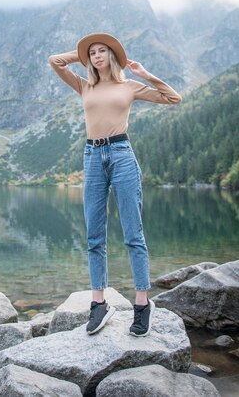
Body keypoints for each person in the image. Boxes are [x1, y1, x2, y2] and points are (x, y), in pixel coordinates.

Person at [48, 32, 182, 337]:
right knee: (94, 235)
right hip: (92, 157)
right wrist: (79, 54)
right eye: (92, 53)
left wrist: (145, 74)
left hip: (122, 155)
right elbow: (54, 62)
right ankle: (99, 304)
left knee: (133, 235)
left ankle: (142, 304)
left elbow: (173, 97)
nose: (96, 56)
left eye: (101, 51)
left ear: (112, 56)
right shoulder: (83, 86)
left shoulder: (129, 87)